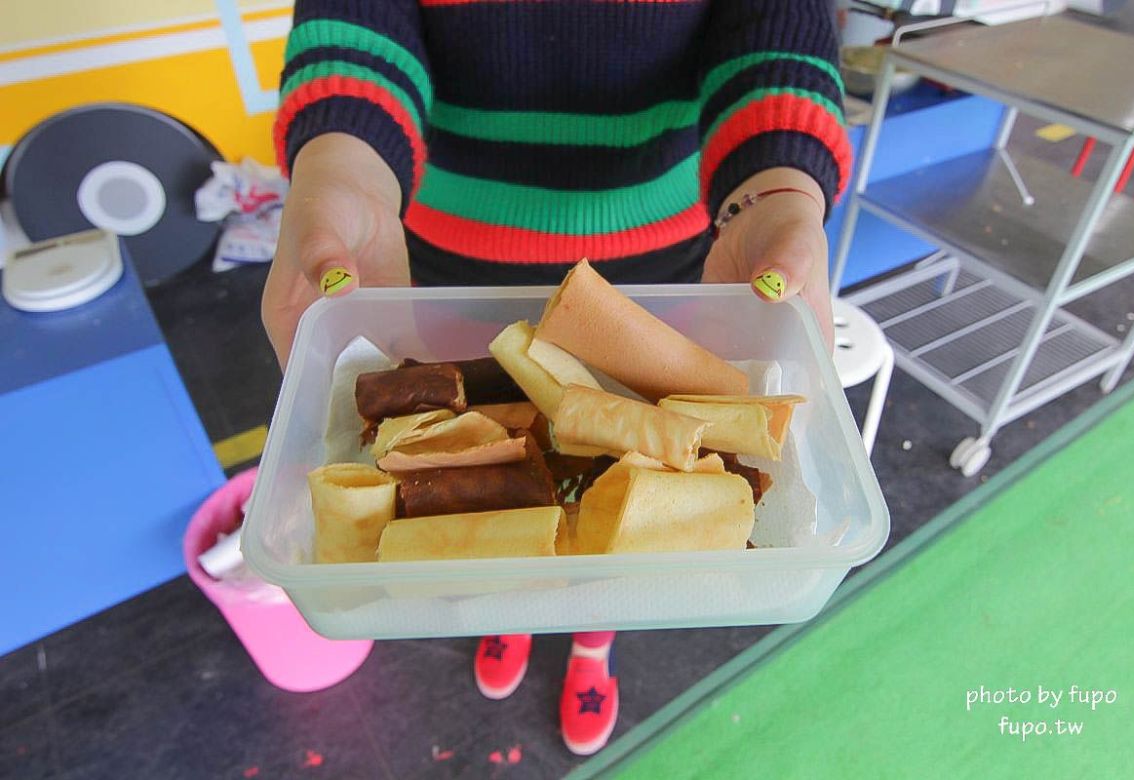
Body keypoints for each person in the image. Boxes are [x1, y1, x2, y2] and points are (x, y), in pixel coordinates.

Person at [263, 0, 850, 757]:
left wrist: (775, 196)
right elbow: (358, 24)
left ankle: (594, 636)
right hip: (429, 263)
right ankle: (503, 605)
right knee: (500, 495)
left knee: (623, 497)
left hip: (667, 267)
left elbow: (771, 27)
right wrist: (341, 173)